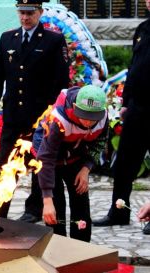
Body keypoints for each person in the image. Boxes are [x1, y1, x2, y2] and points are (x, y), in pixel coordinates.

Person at [0, 0, 69, 221]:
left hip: (39, 117)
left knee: (37, 163)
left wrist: (53, 113)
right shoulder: (7, 38)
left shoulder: (53, 40)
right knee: (5, 164)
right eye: (21, 13)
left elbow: (61, 82)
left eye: (30, 13)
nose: (25, 17)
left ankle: (33, 210)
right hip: (13, 116)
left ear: (40, 12)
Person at [92, 0, 150, 234]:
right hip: (138, 108)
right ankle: (119, 211)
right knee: (125, 162)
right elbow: (134, 66)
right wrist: (126, 102)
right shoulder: (143, 29)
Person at [34, 85, 108, 242]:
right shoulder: (58, 121)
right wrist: (47, 200)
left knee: (80, 199)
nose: (88, 122)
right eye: (85, 116)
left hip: (76, 155)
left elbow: (100, 142)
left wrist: (86, 168)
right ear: (75, 107)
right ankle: (58, 247)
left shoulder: (102, 117)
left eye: (93, 117)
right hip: (49, 156)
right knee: (56, 205)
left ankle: (81, 247)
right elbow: (45, 159)